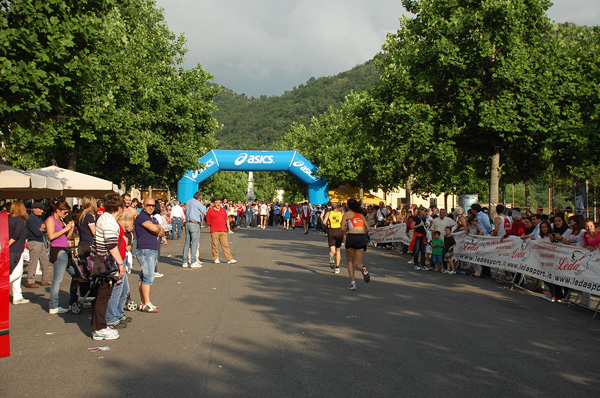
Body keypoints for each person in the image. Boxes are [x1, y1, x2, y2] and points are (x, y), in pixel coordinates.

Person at [91, 192, 126, 340]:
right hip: (106, 263)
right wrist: (120, 264)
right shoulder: (110, 222)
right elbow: (111, 245)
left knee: (103, 296)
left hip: (101, 261)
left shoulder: (103, 218)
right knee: (104, 296)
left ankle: (100, 325)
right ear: (119, 207)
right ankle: (99, 328)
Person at [47, 200, 78, 314]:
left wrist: (70, 228)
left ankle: (73, 301)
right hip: (58, 251)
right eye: (64, 212)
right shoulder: (51, 220)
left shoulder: (61, 220)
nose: (66, 215)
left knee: (76, 275)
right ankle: (54, 305)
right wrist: (65, 229)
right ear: (57, 210)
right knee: (58, 279)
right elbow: (51, 236)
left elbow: (67, 237)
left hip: (65, 250)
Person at [105, 210, 135, 329]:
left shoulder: (119, 229)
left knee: (124, 290)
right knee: (116, 292)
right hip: (117, 263)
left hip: (121, 261)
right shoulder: (115, 227)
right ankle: (112, 318)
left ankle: (118, 313)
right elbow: (113, 246)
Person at [135, 197, 164, 313]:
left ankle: (143, 302)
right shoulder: (142, 217)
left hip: (151, 249)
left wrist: (157, 228)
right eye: (148, 205)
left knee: (143, 277)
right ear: (143, 205)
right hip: (145, 249)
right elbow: (154, 228)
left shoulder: (150, 218)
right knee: (148, 277)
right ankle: (147, 303)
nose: (151, 207)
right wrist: (157, 228)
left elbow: (161, 232)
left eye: (152, 205)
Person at [341, 199, 370, 291]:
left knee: (350, 261)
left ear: (348, 206)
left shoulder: (346, 214)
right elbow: (368, 228)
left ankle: (353, 283)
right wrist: (362, 233)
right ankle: (363, 269)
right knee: (358, 263)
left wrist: (347, 228)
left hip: (352, 237)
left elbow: (342, 228)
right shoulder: (361, 215)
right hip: (361, 238)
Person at [25, 202, 51, 288]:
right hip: (34, 241)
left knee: (45, 260)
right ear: (34, 209)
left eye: (42, 209)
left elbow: (44, 229)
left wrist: (42, 229)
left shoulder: (38, 218)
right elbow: (37, 232)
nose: (42, 211)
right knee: (33, 262)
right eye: (40, 209)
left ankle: (45, 279)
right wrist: (42, 229)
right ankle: (30, 281)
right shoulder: (31, 219)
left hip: (39, 241)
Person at [8, 201, 30, 305]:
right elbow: (17, 235)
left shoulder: (8, 219)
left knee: (18, 272)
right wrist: (8, 244)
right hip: (17, 249)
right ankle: (4, 286)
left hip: (12, 249)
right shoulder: (20, 220)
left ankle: (17, 296)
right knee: (16, 273)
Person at [205, 197, 237, 264]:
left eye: (219, 202)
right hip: (214, 230)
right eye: (217, 203)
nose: (218, 204)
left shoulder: (223, 210)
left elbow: (225, 219)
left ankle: (229, 259)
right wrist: (213, 225)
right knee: (214, 245)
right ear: (214, 203)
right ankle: (216, 258)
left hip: (223, 230)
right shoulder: (210, 211)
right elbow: (208, 222)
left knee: (225, 245)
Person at [183, 192, 206, 268]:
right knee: (194, 243)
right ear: (199, 198)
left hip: (188, 222)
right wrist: (202, 204)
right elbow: (205, 211)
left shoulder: (188, 202)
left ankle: (185, 261)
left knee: (187, 243)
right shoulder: (197, 203)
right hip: (195, 223)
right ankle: (193, 261)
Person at [323, 202, 343, 273]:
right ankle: (337, 267)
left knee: (332, 250)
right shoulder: (341, 213)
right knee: (338, 250)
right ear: (338, 208)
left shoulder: (329, 213)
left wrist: (327, 227)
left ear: (331, 207)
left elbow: (324, 222)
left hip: (331, 231)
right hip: (339, 231)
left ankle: (331, 256)